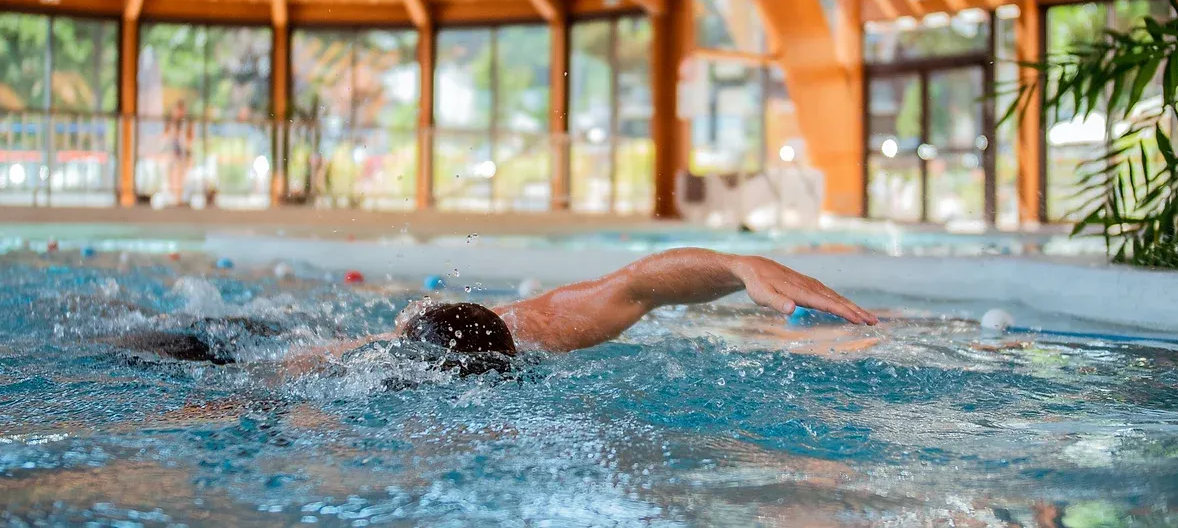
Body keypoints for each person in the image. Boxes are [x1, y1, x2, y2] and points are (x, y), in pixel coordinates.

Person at [115, 249, 877, 375]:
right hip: (263, 344)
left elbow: (646, 282)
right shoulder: (352, 365)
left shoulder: (536, 328)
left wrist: (743, 267)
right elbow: (645, 284)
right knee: (172, 341)